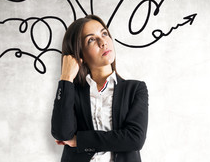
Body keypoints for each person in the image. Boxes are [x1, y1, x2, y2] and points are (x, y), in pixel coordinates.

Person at [51, 14, 148, 162]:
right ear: (79, 53)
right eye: (91, 40)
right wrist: (66, 78)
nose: (103, 42)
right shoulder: (72, 92)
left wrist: (80, 141)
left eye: (104, 34)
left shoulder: (135, 89)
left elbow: (135, 139)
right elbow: (62, 133)